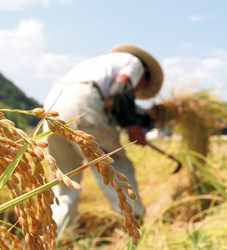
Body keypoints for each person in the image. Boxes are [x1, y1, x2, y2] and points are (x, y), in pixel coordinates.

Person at [43, 44, 163, 231]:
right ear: (144, 74)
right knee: (114, 165)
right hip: (82, 102)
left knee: (64, 177)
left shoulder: (96, 65)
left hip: (52, 103)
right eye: (142, 87)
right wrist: (134, 129)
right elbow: (121, 91)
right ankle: (135, 225)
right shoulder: (136, 63)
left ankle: (57, 235)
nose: (138, 90)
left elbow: (113, 103)